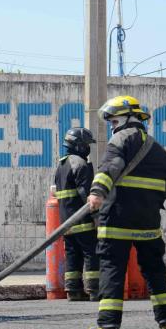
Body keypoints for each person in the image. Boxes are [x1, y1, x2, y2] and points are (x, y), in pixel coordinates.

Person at [86, 95, 166, 329]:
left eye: (114, 121)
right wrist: (149, 200)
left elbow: (110, 168)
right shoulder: (159, 150)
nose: (112, 126)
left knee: (112, 270)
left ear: (129, 118)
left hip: (117, 220)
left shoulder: (120, 140)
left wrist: (96, 193)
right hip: (148, 223)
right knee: (154, 269)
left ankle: (106, 326)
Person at [53, 127, 100, 301]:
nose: (88, 148)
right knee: (91, 253)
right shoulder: (80, 164)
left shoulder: (62, 164)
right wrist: (97, 217)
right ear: (79, 145)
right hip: (83, 219)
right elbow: (86, 194)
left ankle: (73, 290)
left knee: (73, 254)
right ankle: (95, 290)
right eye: (87, 144)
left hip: (66, 221)